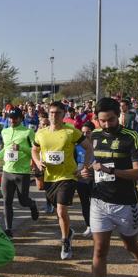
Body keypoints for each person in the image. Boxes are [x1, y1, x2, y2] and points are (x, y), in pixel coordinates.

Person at [81, 98, 138, 277]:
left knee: (131, 245)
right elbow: (94, 164)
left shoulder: (132, 137)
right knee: (100, 250)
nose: (107, 124)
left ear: (118, 114)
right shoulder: (95, 136)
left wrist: (112, 172)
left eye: (110, 119)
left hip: (125, 203)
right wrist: (87, 172)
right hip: (99, 201)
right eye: (102, 120)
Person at [32, 101, 93, 259]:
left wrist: (84, 167)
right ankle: (69, 231)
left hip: (67, 176)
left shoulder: (71, 131)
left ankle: (65, 241)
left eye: (58, 113)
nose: (54, 116)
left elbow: (88, 147)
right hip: (49, 177)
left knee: (61, 210)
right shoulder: (41, 133)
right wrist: (38, 162)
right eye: (51, 112)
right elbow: (34, 149)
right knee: (59, 212)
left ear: (64, 114)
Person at [0, 108, 39, 238]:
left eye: (15, 118)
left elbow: (35, 151)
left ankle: (32, 204)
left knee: (23, 201)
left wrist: (22, 148)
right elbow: (6, 149)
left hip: (22, 173)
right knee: (7, 201)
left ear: (21, 118)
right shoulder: (5, 131)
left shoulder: (28, 132)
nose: (12, 120)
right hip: (7, 172)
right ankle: (8, 229)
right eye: (10, 118)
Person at [75, 122, 95, 237]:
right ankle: (89, 226)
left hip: (95, 179)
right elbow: (73, 162)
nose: (85, 134)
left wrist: (91, 167)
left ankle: (98, 225)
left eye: (88, 132)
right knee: (84, 204)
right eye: (83, 132)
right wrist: (79, 172)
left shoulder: (98, 146)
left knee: (95, 203)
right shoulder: (77, 146)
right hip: (81, 178)